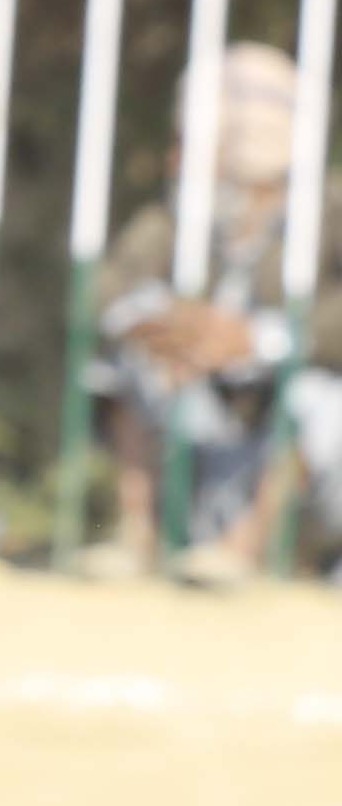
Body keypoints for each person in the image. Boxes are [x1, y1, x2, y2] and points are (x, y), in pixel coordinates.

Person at [92, 39, 333, 581]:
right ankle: (137, 536)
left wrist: (259, 340)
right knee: (123, 362)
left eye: (191, 143)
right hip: (203, 429)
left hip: (286, 436)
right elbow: (107, 289)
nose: (175, 159)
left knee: (319, 398)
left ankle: (243, 551)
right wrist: (165, 330)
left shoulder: (327, 216)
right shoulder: (175, 218)